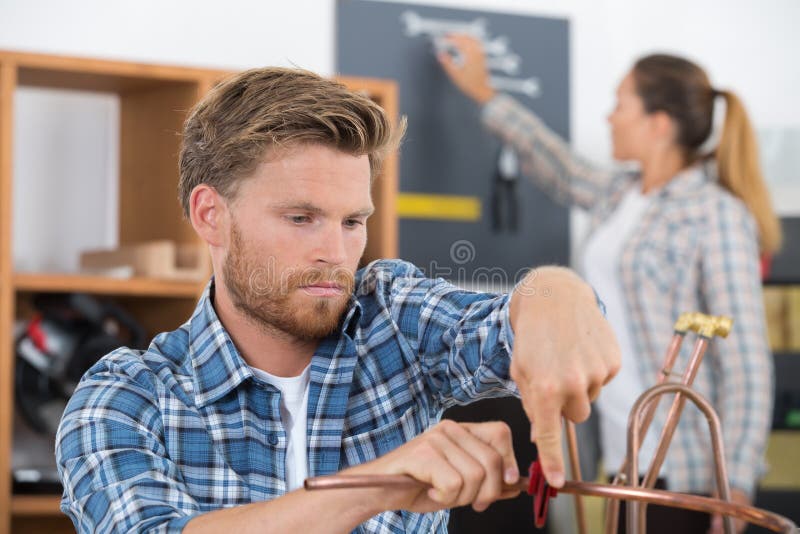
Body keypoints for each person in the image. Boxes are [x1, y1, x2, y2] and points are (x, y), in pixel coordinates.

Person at [55, 66, 620, 533]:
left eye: (353, 221)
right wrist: (374, 486)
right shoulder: (126, 395)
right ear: (211, 215)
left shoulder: (392, 321)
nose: (335, 252)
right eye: (301, 218)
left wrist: (560, 294)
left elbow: (510, 319)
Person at [438, 35, 780, 534]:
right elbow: (555, 162)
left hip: (687, 472)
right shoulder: (621, 195)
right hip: (625, 459)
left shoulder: (715, 214)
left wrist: (739, 483)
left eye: (621, 104)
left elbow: (746, 361)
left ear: (658, 124)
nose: (609, 117)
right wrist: (485, 94)